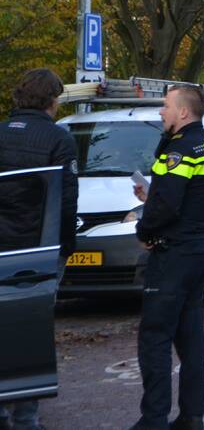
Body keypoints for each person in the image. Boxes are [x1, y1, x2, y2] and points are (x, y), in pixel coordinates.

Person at [128, 84, 204, 430]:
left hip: (174, 254)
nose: (161, 112)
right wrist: (153, 195)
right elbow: (188, 197)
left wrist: (144, 230)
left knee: (154, 337)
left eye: (166, 106)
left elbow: (168, 205)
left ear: (183, 113)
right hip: (201, 248)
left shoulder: (180, 150)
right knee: (191, 338)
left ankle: (153, 419)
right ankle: (191, 416)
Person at [0, 69, 78, 430]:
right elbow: (66, 201)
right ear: (51, 100)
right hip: (36, 250)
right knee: (31, 328)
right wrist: (65, 248)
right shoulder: (58, 139)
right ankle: (26, 417)